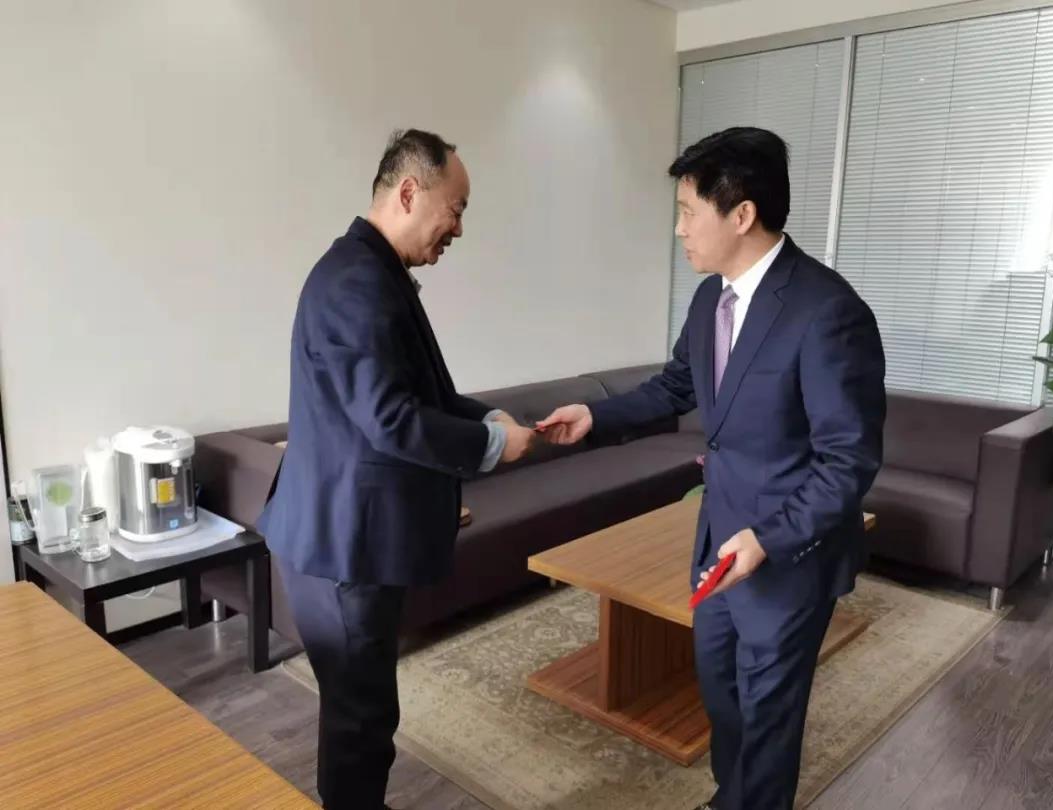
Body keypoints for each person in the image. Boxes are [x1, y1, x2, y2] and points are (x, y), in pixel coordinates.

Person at [538, 127, 886, 810]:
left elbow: (848, 461)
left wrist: (770, 538)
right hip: (718, 541)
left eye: (688, 212)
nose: (679, 230)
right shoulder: (710, 299)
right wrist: (594, 416)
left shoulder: (828, 312)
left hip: (786, 556)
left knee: (768, 713)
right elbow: (677, 387)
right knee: (722, 689)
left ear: (742, 214)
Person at [257, 129, 534, 810]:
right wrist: (491, 446)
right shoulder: (356, 281)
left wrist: (491, 417)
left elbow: (419, 396)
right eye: (456, 209)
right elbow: (391, 418)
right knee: (362, 718)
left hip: (348, 536)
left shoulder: (371, 271)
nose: (458, 229)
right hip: (343, 545)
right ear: (409, 192)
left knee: (359, 710)